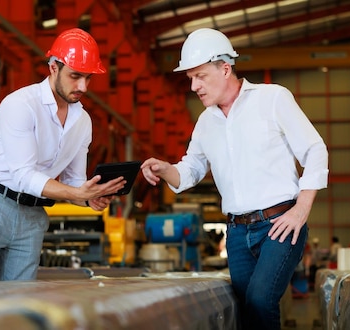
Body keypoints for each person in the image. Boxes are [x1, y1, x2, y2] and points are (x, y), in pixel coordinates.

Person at [140, 28, 328, 329]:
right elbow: (190, 171)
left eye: (200, 76)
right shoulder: (205, 122)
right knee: (245, 310)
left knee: (260, 299)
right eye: (190, 78)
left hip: (279, 226)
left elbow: (315, 150)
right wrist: (165, 169)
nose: (193, 86)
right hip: (237, 235)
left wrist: (301, 209)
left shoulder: (273, 98)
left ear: (225, 68)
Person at [0, 28, 126, 283]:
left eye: (88, 78)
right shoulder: (20, 104)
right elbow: (23, 176)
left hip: (32, 215)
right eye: (75, 76)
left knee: (20, 308)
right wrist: (76, 194)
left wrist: (89, 197)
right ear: (53, 67)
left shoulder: (83, 121)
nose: (83, 87)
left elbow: (74, 180)